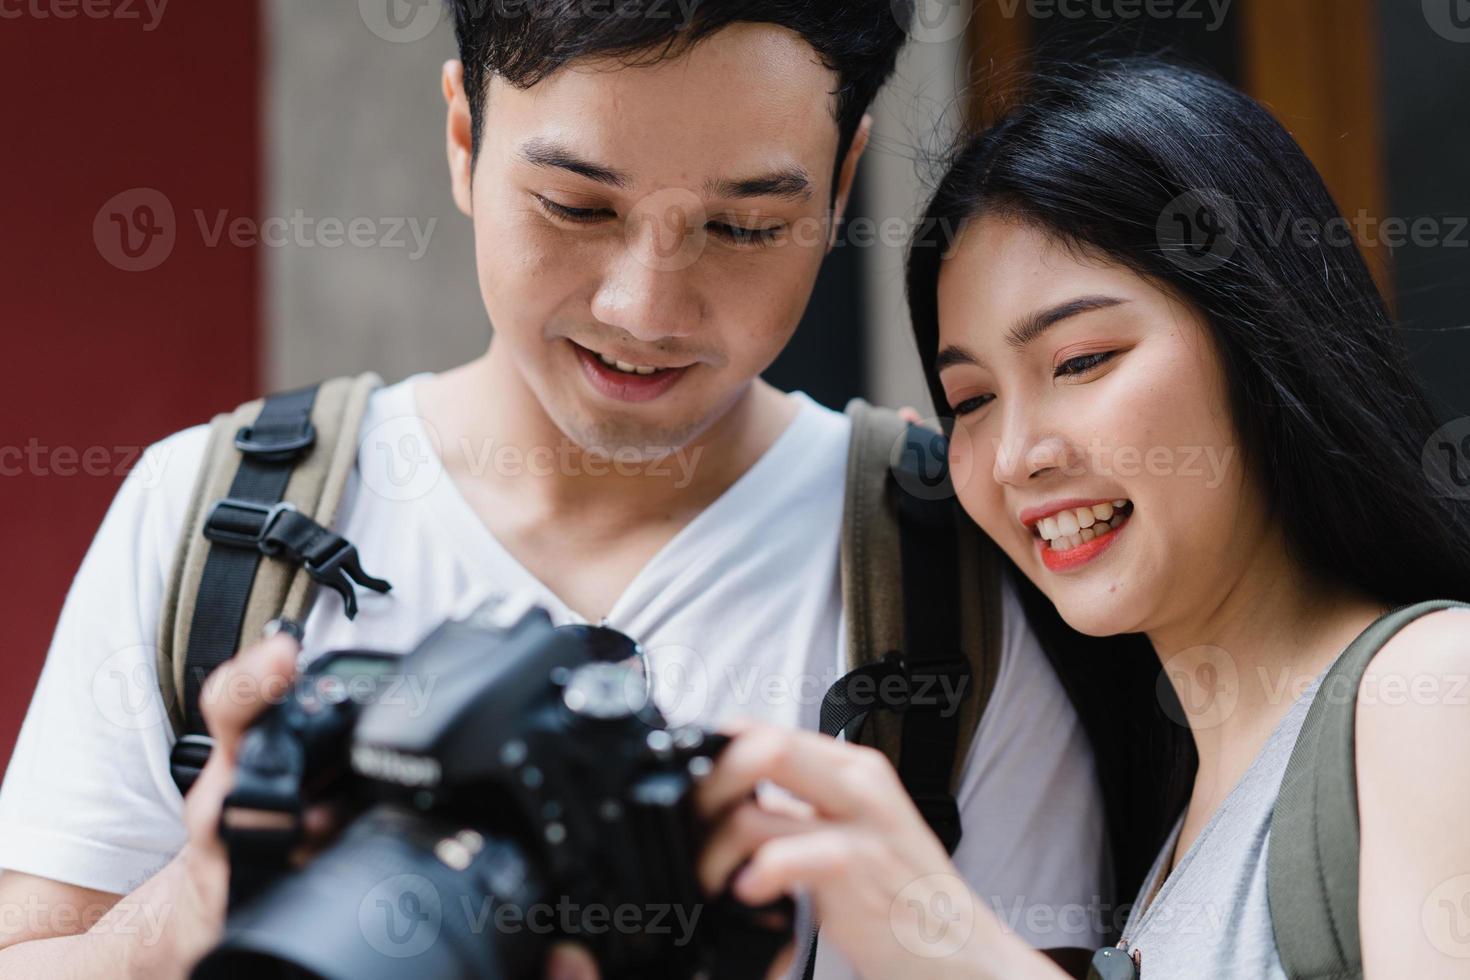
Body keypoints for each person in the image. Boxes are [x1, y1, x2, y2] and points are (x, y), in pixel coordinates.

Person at [0, 4, 1110, 978]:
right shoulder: (213, 513)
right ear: (463, 138)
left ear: (841, 184)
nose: (646, 308)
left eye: (744, 226)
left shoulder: (943, 568)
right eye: (577, 206)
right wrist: (193, 907)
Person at [688, 56, 1470, 978]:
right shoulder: (1171, 832)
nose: (1019, 455)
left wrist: (953, 942)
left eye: (1082, 361)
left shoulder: (1429, 695)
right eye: (971, 401)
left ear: (1261, 340)